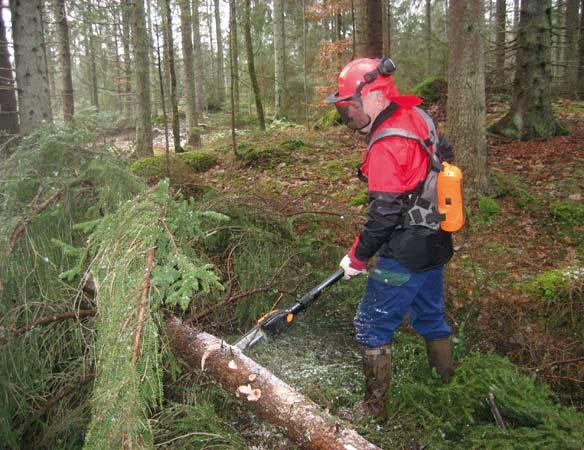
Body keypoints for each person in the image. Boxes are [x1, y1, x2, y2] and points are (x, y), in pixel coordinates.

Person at [326, 57, 455, 420]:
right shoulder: (417, 115)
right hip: (436, 241)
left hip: (404, 252)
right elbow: (445, 154)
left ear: (376, 97)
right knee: (430, 315)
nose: (348, 117)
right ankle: (445, 383)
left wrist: (357, 258)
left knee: (371, 324)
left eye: (350, 107)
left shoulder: (386, 143)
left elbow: (383, 217)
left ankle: (372, 410)